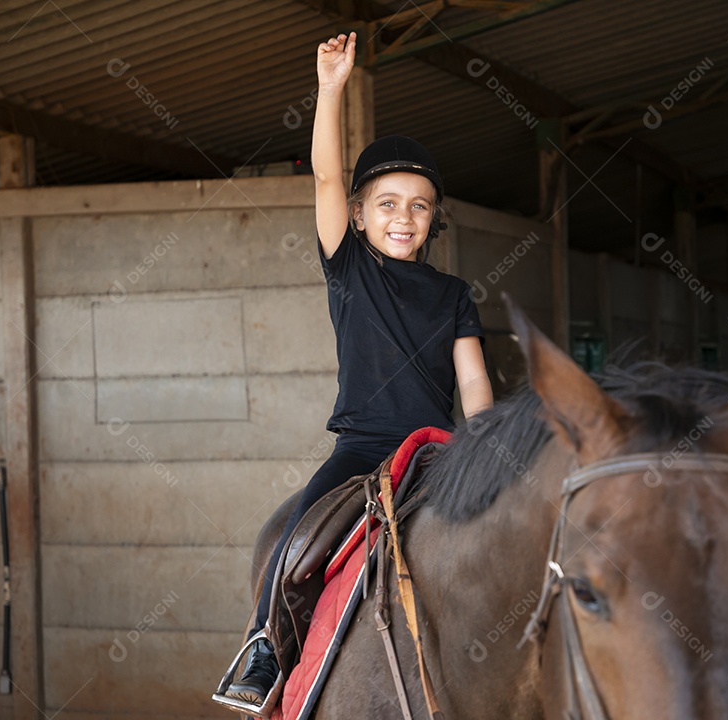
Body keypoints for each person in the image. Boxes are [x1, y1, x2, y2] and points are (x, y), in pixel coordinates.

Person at [222, 31, 493, 712]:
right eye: (388, 203)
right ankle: (263, 645)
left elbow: (474, 382)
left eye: (420, 206)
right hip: (365, 447)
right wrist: (331, 88)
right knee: (295, 537)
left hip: (437, 450)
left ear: (434, 221)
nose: (404, 217)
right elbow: (323, 175)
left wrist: (488, 446)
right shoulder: (350, 272)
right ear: (359, 216)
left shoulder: (454, 294)